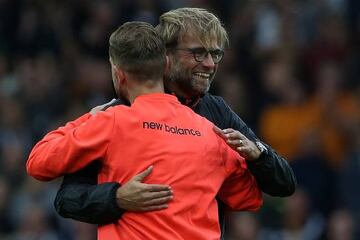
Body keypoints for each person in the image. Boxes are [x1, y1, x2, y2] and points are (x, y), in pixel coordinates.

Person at [54, 7, 296, 236]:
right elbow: (66, 199)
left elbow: (284, 184)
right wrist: (116, 197)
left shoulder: (217, 111)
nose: (210, 64)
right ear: (165, 56)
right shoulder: (122, 112)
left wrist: (260, 155)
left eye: (215, 54)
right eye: (198, 53)